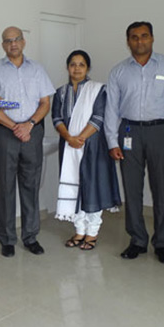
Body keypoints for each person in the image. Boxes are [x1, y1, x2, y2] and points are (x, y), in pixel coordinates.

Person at [105, 21, 164, 264]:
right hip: (129, 131)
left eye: (144, 36)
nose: (139, 41)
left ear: (152, 38)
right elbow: (111, 109)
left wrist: (161, 117)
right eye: (134, 37)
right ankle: (137, 240)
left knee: (161, 188)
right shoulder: (119, 71)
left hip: (160, 133)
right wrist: (112, 141)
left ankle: (162, 243)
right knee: (132, 189)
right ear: (128, 41)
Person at [0, 26, 55, 257]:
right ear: (2, 45)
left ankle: (30, 236)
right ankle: (7, 239)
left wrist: (30, 125)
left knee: (31, 186)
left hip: (32, 131)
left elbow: (45, 102)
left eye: (16, 39)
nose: (12, 44)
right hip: (4, 132)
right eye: (7, 41)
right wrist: (15, 126)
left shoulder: (37, 69)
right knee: (5, 186)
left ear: (24, 42)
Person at [53, 50, 121, 250]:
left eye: (81, 64)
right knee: (76, 188)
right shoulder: (60, 92)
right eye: (73, 64)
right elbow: (56, 118)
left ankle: (92, 233)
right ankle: (79, 230)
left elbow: (99, 117)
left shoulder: (99, 90)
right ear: (67, 67)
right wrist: (68, 138)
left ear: (88, 68)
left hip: (92, 147)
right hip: (68, 147)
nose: (77, 68)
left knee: (93, 188)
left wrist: (80, 138)